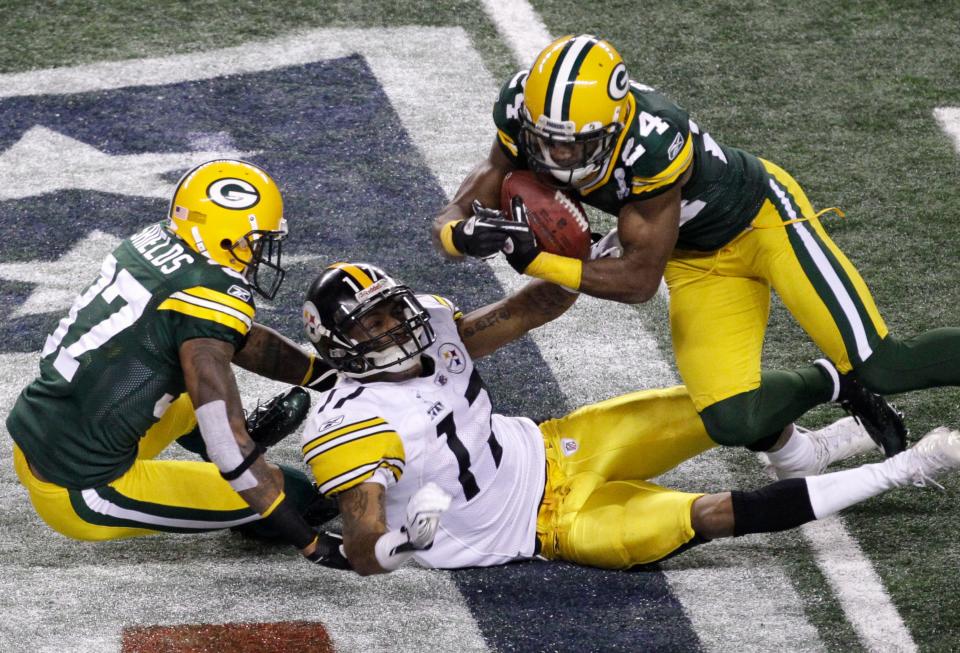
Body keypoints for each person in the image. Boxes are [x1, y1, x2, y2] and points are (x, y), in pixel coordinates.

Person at [431, 33, 960, 470]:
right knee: (734, 418)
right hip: (692, 258)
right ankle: (834, 383)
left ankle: (859, 376)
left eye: (577, 143)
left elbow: (638, 282)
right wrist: (461, 236)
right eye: (546, 140)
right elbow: (460, 207)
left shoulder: (655, 139)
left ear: (616, 126)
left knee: (883, 366)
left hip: (762, 224)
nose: (559, 154)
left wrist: (533, 258)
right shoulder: (520, 108)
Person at [293, 262, 959, 575]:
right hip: (547, 526)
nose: (397, 329)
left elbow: (533, 307)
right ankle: (907, 466)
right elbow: (362, 548)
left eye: (393, 312)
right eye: (373, 325)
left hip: (557, 448)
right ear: (339, 343)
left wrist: (571, 245)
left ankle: (831, 396)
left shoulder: (435, 328)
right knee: (708, 514)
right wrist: (406, 541)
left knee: (719, 406)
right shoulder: (347, 421)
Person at [6, 159, 336, 562]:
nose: (260, 251)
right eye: (256, 239)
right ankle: (257, 483)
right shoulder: (208, 302)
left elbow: (236, 337)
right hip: (83, 489)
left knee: (183, 401)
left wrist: (324, 377)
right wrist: (312, 543)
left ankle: (244, 444)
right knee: (291, 493)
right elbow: (226, 441)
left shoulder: (155, 241)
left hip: (40, 432)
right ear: (228, 238)